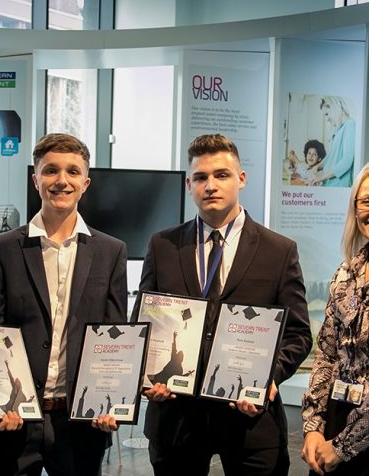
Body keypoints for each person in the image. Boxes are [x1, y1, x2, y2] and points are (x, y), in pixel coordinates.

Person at [131, 133, 312, 475]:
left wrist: (266, 378)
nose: (210, 185)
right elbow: (142, 326)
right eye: (200, 177)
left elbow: (298, 334)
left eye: (221, 175)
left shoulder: (279, 250)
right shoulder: (162, 246)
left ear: (241, 179)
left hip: (249, 420)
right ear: (189, 184)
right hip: (176, 418)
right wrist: (145, 377)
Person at [0, 133, 128, 475]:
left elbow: (113, 335)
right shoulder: (1, 249)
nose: (62, 180)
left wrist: (111, 400)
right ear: (35, 179)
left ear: (86, 182)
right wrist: (0, 400)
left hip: (80, 423)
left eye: (73, 172)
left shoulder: (111, 251)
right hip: (14, 419)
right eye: (51, 171)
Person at [301, 162, 369, 475]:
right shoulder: (345, 276)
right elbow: (326, 355)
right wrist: (313, 426)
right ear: (355, 210)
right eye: (366, 201)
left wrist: (343, 446)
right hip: (337, 417)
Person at [310, 96, 355, 187]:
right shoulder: (337, 129)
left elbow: (347, 161)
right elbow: (329, 158)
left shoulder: (350, 126)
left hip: (339, 185)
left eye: (327, 114)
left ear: (334, 107)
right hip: (329, 183)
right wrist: (317, 167)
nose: (327, 119)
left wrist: (322, 177)